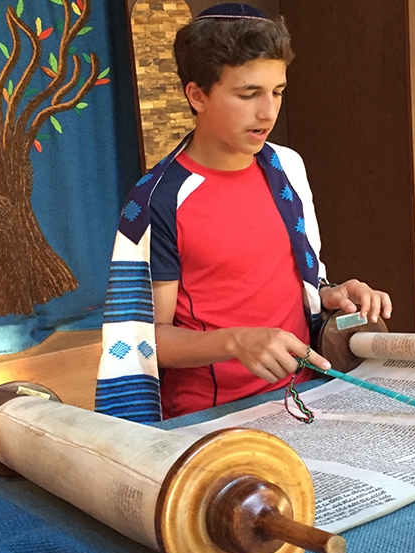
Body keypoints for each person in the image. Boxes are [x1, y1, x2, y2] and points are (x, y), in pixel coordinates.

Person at [95, 3, 391, 422]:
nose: (268, 111)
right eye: (248, 94)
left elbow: (289, 279)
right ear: (197, 95)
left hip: (304, 397)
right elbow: (145, 339)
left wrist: (331, 293)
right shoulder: (157, 200)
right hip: (211, 417)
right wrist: (235, 342)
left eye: (278, 92)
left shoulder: (286, 167)